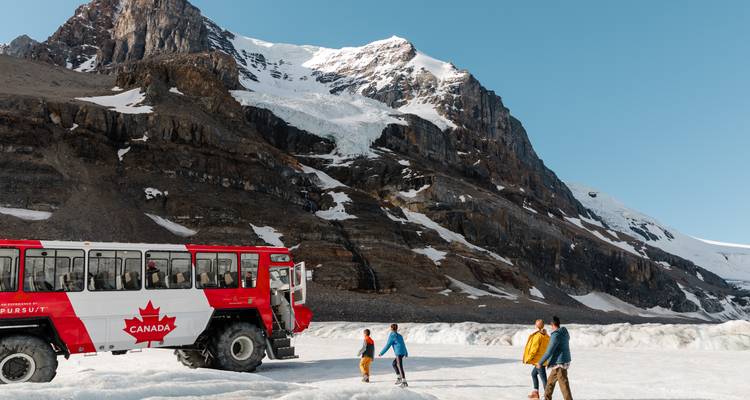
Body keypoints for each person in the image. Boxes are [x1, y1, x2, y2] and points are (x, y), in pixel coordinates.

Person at [537, 316, 572, 400]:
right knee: (550, 383)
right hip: (561, 361)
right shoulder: (564, 332)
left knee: (563, 385)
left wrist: (540, 362)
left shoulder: (556, 335)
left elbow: (549, 351)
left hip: (559, 363)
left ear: (552, 324)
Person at [523, 319, 550, 399]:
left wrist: (528, 358)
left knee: (544, 379)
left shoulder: (538, 336)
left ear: (537, 326)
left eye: (536, 324)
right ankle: (535, 393)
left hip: (539, 361)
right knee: (533, 374)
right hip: (543, 360)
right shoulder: (546, 335)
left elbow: (533, 350)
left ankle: (547, 396)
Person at [379, 323, 409, 388]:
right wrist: (406, 352)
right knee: (394, 364)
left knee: (400, 366)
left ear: (391, 328)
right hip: (403, 352)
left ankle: (404, 382)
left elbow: (387, 345)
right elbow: (403, 344)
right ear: (396, 328)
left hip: (399, 353)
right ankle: (399, 378)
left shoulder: (392, 335)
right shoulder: (400, 335)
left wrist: (381, 353)